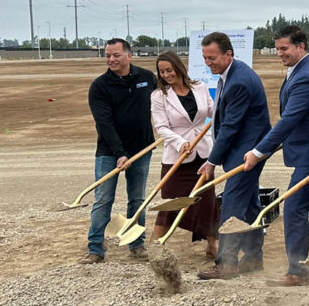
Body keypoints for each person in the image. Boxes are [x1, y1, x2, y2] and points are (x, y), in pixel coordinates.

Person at [244, 25, 309, 287]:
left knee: (295, 207)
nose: (279, 54)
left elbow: (289, 119)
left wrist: (258, 151)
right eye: (277, 49)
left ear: (301, 47)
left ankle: (297, 272)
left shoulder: (306, 76)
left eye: (284, 48)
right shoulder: (298, 71)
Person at [196, 31, 272, 280]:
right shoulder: (229, 75)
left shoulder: (239, 81)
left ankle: (226, 263)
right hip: (242, 149)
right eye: (205, 58)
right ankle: (252, 258)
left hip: (246, 152)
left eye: (213, 58)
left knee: (231, 205)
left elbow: (231, 126)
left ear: (229, 54)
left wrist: (212, 161)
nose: (209, 63)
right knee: (249, 205)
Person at [81, 38, 156, 263]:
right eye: (107, 56)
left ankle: (137, 244)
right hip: (109, 151)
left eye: (116, 55)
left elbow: (164, 104)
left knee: (137, 199)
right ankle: (95, 248)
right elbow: (104, 123)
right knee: (103, 199)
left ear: (129, 56)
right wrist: (120, 153)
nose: (111, 59)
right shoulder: (99, 86)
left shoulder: (147, 78)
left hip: (142, 149)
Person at [149, 51, 220, 256]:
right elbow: (161, 127)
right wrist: (180, 143)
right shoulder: (159, 96)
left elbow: (212, 111)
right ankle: (156, 247)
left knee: (207, 202)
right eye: (162, 72)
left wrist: (224, 112)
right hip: (176, 156)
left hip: (203, 153)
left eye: (169, 70)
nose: (166, 75)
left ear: (179, 68)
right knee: (170, 202)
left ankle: (212, 245)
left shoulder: (199, 87)